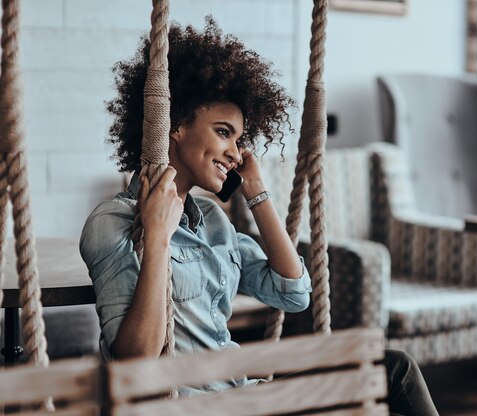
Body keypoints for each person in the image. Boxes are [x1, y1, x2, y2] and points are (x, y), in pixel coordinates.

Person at [80, 18, 438, 416]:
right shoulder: (113, 223)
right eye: (223, 132)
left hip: (244, 395)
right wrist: (159, 238)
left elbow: (294, 293)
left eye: (238, 139)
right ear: (177, 124)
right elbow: (134, 364)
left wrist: (257, 194)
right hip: (192, 408)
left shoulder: (213, 222)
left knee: (394, 369)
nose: (235, 152)